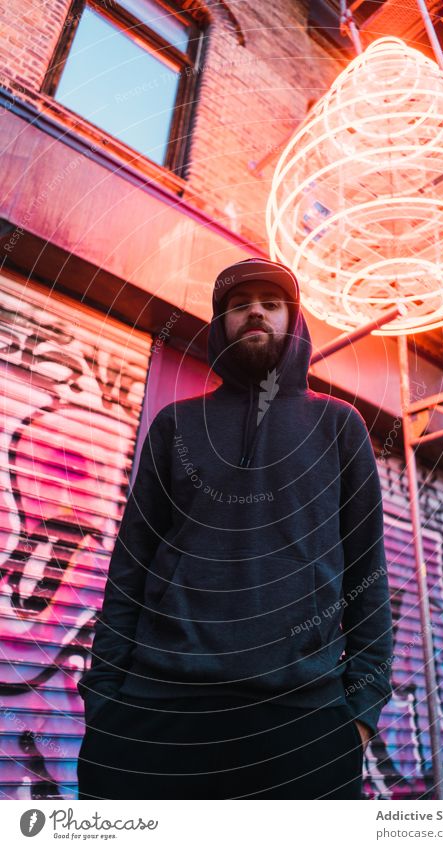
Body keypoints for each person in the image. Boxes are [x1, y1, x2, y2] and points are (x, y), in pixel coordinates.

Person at [77, 257, 393, 800]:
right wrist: (104, 697)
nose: (255, 313)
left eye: (271, 304)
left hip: (301, 717)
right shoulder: (176, 423)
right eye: (239, 305)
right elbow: (130, 567)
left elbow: (369, 573)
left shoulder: (339, 425)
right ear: (219, 322)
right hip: (157, 711)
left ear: (293, 323)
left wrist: (359, 716)